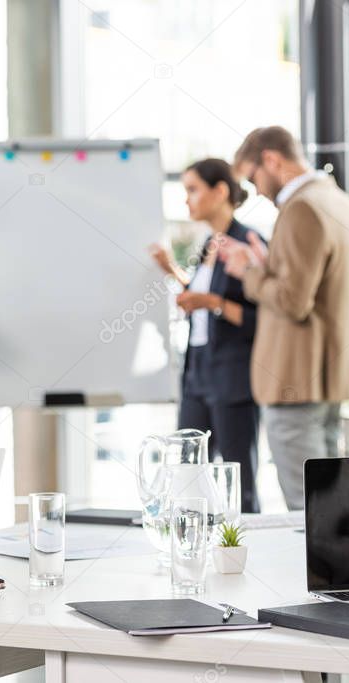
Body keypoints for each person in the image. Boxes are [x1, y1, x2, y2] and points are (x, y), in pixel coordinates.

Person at [219, 126, 349, 511]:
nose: (256, 190)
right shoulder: (336, 200)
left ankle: (318, 572)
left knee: (308, 511)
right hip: (328, 375)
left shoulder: (300, 207)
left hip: (295, 378)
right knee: (331, 504)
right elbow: (316, 286)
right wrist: (267, 266)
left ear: (271, 159)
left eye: (252, 178)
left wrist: (247, 273)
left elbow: (292, 301)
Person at [150, 158, 264, 513]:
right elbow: (203, 297)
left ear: (220, 191)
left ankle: (244, 554)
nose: (187, 200)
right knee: (187, 472)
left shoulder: (249, 242)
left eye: (193, 189)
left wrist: (212, 302)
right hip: (197, 371)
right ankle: (190, 550)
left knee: (237, 478)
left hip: (233, 376)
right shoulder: (208, 245)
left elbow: (262, 317)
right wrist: (172, 272)